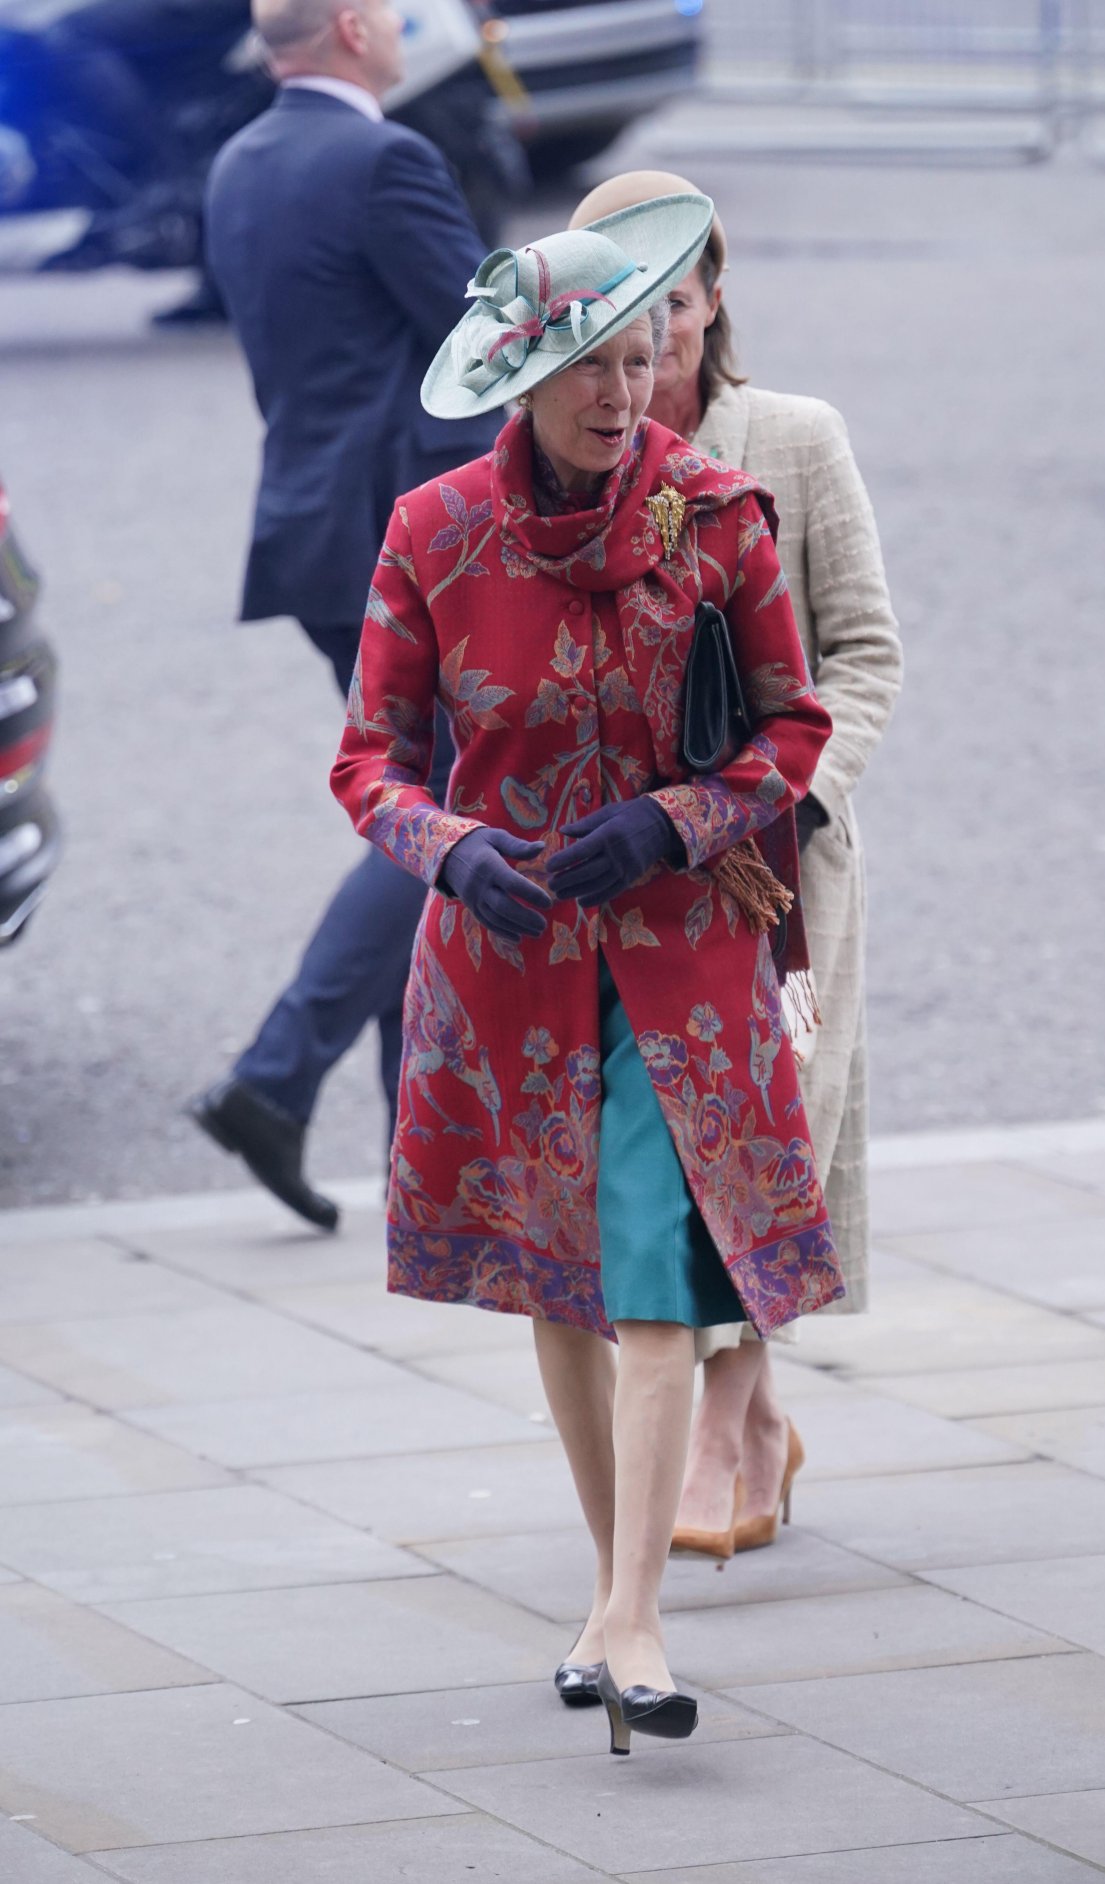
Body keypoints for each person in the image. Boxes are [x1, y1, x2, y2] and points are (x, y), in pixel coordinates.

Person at [331, 195, 843, 1753]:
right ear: (520, 382)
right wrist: (446, 850)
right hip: (505, 965)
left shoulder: (720, 514)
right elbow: (367, 761)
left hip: (683, 964)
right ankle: (610, 1603)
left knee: (658, 1280)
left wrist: (676, 820)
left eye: (637, 357)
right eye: (589, 369)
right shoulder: (431, 534)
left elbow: (794, 729)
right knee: (558, 1282)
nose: (625, 391)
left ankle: (632, 1618)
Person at [570, 171, 903, 1558]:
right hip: (637, 880)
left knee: (776, 1134)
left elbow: (865, 653)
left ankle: (728, 1419)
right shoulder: (577, 455)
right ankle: (755, 1425)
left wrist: (795, 802)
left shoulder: (793, 439)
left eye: (679, 301)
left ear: (714, 300)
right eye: (625, 310)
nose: (655, 337)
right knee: (659, 1153)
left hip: (779, 876)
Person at [188, 0, 498, 1228]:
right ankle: (278, 1074)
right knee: (443, 813)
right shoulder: (384, 158)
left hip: (311, 533)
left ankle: (414, 1151)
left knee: (410, 812)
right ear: (359, 28)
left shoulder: (239, 162)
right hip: (404, 541)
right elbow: (488, 352)